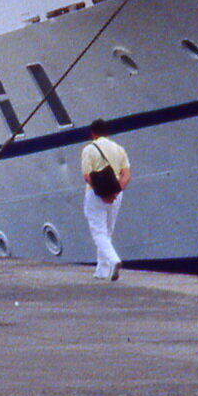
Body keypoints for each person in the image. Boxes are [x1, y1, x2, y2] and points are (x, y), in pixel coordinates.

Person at [79, 119, 131, 280]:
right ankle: (102, 270)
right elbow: (126, 175)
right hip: (117, 194)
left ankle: (113, 260)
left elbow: (87, 176)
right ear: (107, 132)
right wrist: (115, 192)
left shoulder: (89, 149)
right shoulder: (119, 149)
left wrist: (103, 193)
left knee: (98, 232)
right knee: (108, 230)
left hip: (96, 193)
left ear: (92, 133)